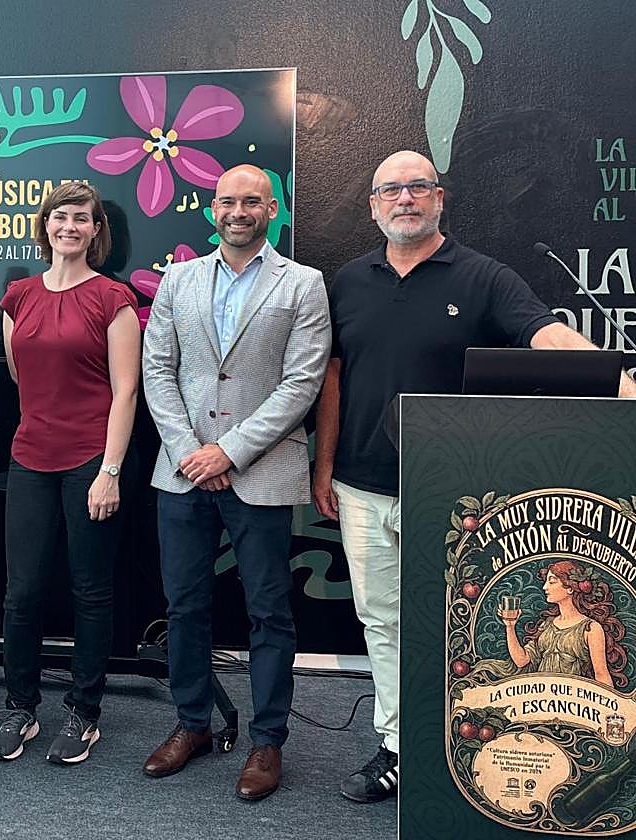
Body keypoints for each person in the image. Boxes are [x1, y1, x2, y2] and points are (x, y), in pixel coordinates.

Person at [311, 149, 636, 804]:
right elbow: (334, 376)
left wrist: (619, 383)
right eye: (391, 190)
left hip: (450, 493)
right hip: (360, 485)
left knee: (458, 629)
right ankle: (398, 747)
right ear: (374, 206)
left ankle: (462, 749)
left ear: (440, 198)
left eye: (419, 187)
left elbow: (543, 334)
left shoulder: (483, 276)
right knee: (381, 622)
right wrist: (323, 463)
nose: (405, 199)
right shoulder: (347, 281)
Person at [141, 164, 330, 800]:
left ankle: (267, 740)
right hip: (183, 473)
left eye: (252, 201)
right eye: (228, 201)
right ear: (211, 208)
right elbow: (157, 373)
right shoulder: (179, 279)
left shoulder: (303, 284)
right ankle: (191, 723)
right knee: (184, 606)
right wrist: (193, 451)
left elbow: (301, 384)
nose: (239, 210)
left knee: (270, 613)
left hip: (260, 474)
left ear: (271, 208)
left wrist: (229, 451)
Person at [0, 182, 140, 765]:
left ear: (96, 230)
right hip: (30, 458)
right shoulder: (17, 297)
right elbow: (24, 382)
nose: (69, 226)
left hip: (89, 463)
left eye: (82, 218)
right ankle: (20, 708)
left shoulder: (113, 298)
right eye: (60, 217)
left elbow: (126, 392)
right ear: (44, 227)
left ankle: (84, 711)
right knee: (20, 593)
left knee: (90, 592)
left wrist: (110, 470)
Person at [499, 560, 627, 688]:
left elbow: (601, 675)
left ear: (570, 588)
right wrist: (510, 626)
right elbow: (522, 660)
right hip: (540, 698)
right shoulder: (547, 625)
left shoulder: (591, 628)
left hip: (572, 702)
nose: (545, 587)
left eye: (552, 581)